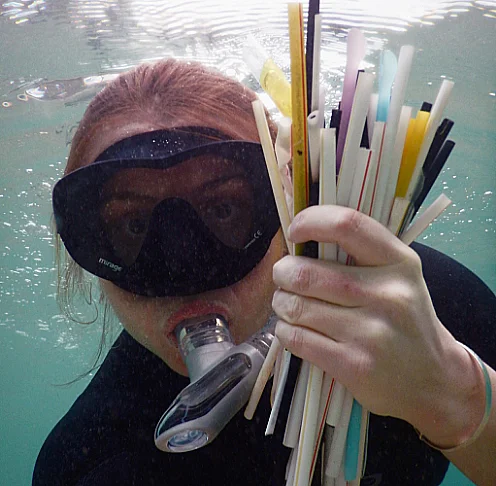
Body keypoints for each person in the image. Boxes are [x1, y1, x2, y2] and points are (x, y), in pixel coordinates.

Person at [33, 59, 496, 486]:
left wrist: (453, 393)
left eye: (225, 208)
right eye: (133, 226)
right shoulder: (88, 463)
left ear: (290, 203)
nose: (185, 269)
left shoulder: (430, 315)